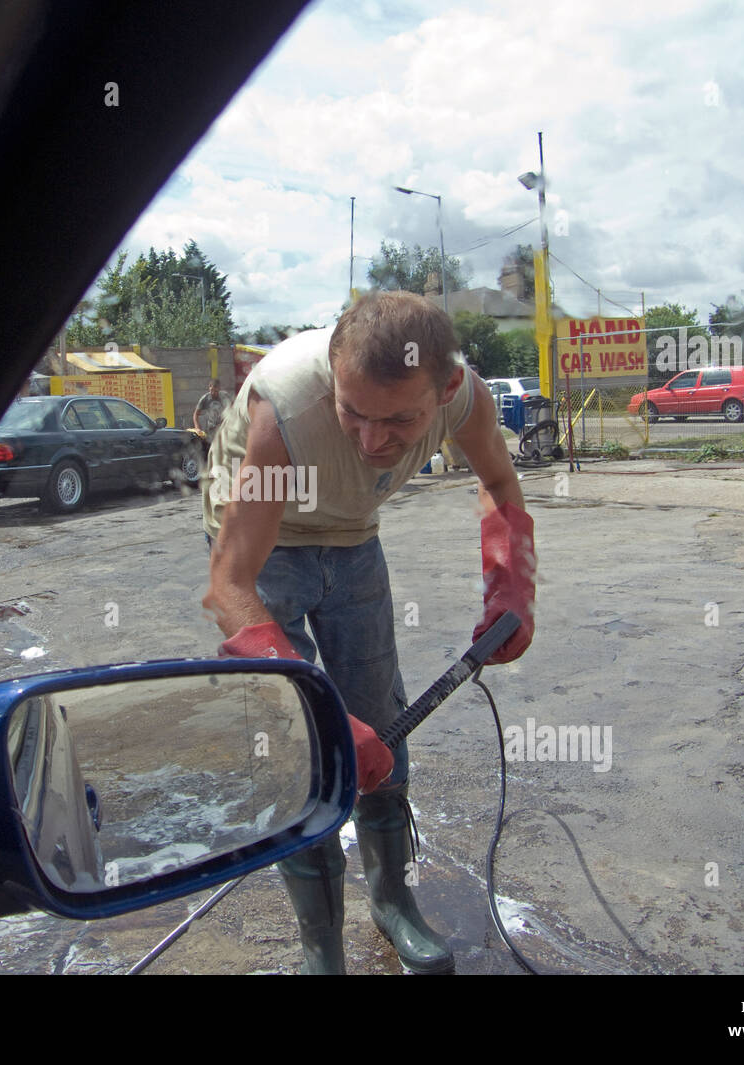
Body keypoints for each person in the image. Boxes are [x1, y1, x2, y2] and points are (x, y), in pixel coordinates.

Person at [201, 290, 535, 975]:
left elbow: (500, 481)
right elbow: (229, 584)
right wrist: (317, 709)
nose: (373, 441)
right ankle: (320, 940)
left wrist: (511, 584)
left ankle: (392, 899)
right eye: (353, 413)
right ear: (332, 370)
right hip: (267, 540)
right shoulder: (286, 409)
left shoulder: (466, 398)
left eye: (401, 420)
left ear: (444, 389)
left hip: (353, 535)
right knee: (300, 745)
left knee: (382, 721)